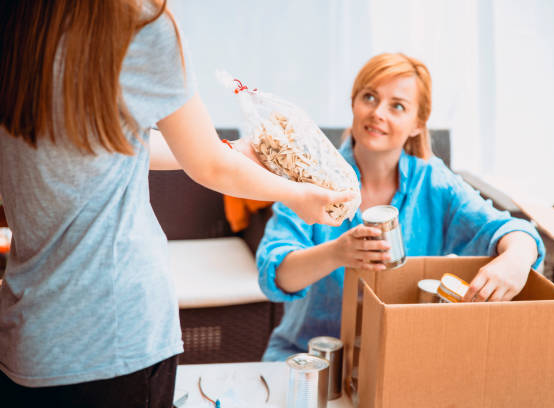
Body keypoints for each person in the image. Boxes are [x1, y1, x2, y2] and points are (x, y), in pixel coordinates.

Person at [0, 1, 353, 407]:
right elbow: (211, 168)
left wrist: (225, 149)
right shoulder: (140, 25)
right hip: (116, 341)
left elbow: (98, 146)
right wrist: (300, 196)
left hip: (25, 342)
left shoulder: (19, 23)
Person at [256, 53, 546, 361]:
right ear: (354, 103)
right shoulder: (310, 176)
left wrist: (516, 259)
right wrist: (336, 253)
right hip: (308, 358)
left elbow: (513, 231)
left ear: (417, 124)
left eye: (397, 106)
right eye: (369, 97)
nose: (378, 113)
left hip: (403, 360)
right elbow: (272, 276)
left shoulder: (433, 182)